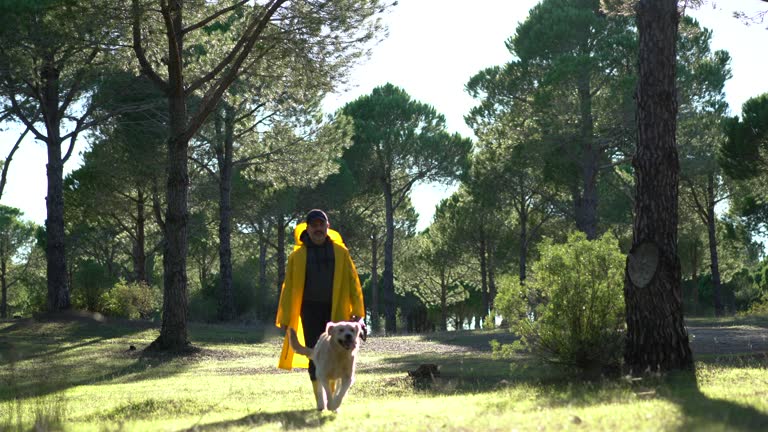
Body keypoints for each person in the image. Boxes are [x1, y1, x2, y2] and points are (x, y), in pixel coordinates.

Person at [275, 209, 365, 391]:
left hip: (336, 309)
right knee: (314, 352)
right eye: (314, 225)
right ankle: (319, 397)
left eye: (321, 225)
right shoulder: (297, 256)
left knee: (338, 352)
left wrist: (358, 311)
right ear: (307, 229)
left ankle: (331, 394)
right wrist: (285, 318)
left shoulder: (341, 252)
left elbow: (353, 283)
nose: (318, 229)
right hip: (309, 311)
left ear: (327, 227)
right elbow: (289, 288)